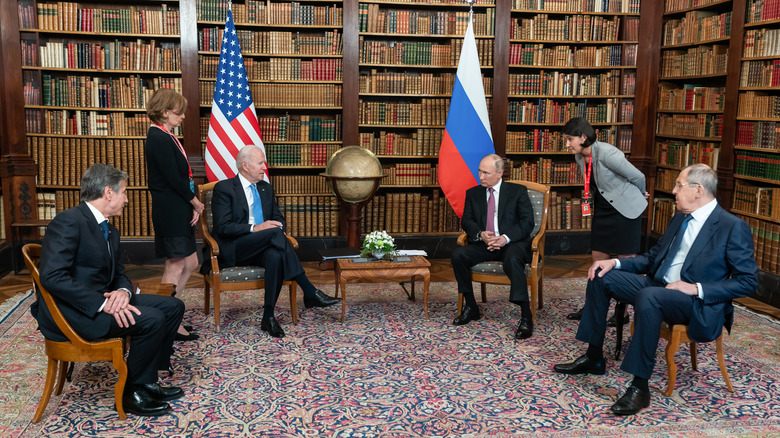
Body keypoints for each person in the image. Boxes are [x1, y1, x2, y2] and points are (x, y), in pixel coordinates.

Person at [553, 164, 758, 415]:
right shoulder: (681, 216)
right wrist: (614, 262)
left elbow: (748, 281)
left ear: (698, 190)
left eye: (679, 185)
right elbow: (652, 258)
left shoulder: (732, 226)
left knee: (649, 296)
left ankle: (640, 387)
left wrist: (695, 288)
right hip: (656, 285)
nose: (673, 190)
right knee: (601, 275)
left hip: (693, 302)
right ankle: (594, 356)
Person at [33, 163, 186, 417]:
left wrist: (123, 294)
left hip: (101, 301)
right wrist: (103, 304)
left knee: (173, 306)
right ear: (108, 193)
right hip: (74, 313)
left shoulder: (110, 230)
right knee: (153, 319)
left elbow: (120, 275)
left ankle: (147, 381)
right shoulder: (69, 221)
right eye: (124, 192)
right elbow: (52, 277)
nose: (126, 199)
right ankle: (131, 393)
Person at [209, 145, 339, 338]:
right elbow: (222, 227)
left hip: (265, 246)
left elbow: (279, 219)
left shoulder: (265, 188)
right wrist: (255, 228)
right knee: (274, 234)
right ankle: (309, 291)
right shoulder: (224, 188)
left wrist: (275, 228)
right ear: (245, 165)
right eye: (260, 163)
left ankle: (268, 316)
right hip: (236, 248)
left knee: (276, 254)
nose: (264, 167)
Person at [562, 117, 648, 325]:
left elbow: (637, 176)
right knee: (598, 261)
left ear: (583, 137)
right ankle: (593, 306)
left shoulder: (607, 153)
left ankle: (623, 313)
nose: (567, 144)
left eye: (569, 139)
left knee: (625, 264)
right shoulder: (579, 157)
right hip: (603, 211)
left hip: (625, 212)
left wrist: (641, 194)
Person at [451, 154, 536, 339]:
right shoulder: (473, 193)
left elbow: (527, 222)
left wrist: (505, 238)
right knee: (458, 255)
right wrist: (480, 234)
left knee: (513, 260)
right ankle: (471, 306)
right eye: (480, 171)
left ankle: (525, 316)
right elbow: (466, 220)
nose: (481, 176)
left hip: (510, 244)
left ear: (499, 173)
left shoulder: (517, 191)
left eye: (486, 173)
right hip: (484, 243)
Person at [145, 88, 205, 341]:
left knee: (191, 263)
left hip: (178, 206)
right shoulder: (157, 137)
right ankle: (166, 322)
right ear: (165, 112)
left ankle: (172, 315)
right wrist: (196, 203)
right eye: (179, 112)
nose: (182, 117)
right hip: (170, 209)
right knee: (175, 264)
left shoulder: (167, 136)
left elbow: (181, 177)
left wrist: (190, 204)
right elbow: (172, 178)